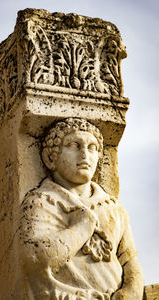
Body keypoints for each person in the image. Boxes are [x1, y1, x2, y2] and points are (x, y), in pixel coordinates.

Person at [19, 118, 144, 299]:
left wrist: (131, 290)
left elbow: (129, 259)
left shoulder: (113, 207)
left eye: (92, 147)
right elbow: (36, 257)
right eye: (74, 145)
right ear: (50, 158)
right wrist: (82, 227)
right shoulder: (42, 201)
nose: (85, 154)